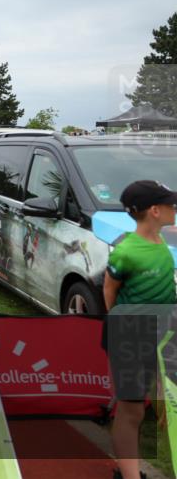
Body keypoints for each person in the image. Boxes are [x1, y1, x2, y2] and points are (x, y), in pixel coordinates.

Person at [102, 180, 177, 479]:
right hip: (131, 334)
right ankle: (130, 475)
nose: (175, 209)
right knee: (131, 409)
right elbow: (109, 290)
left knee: (164, 402)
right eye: (171, 204)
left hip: (163, 332)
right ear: (155, 211)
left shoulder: (161, 241)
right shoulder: (126, 251)